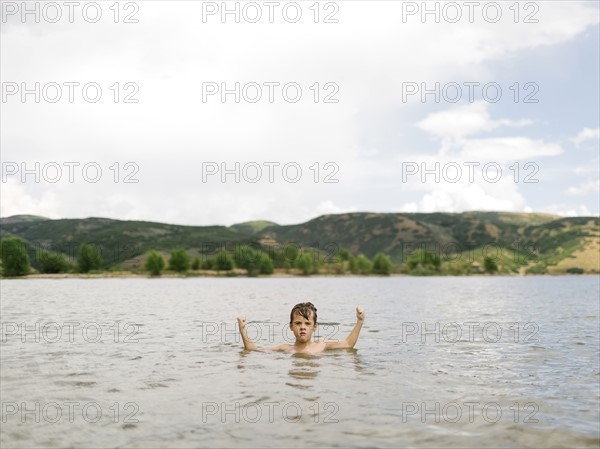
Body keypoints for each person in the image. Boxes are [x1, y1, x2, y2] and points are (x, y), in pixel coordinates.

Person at [236, 302, 365, 353]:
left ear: (314, 327)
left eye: (307, 324)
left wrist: (360, 321)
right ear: (291, 327)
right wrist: (242, 329)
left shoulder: (322, 344)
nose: (302, 327)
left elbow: (348, 344)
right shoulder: (285, 348)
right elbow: (253, 349)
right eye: (298, 323)